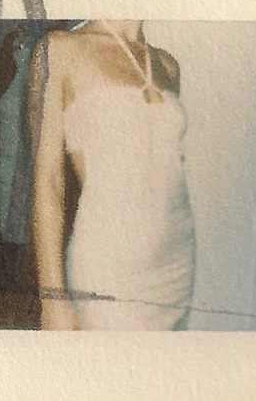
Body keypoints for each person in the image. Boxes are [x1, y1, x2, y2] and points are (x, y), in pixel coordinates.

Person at [28, 20, 195, 330]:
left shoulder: (167, 65)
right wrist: (52, 300)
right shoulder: (61, 49)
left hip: (177, 259)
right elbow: (48, 181)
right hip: (108, 263)